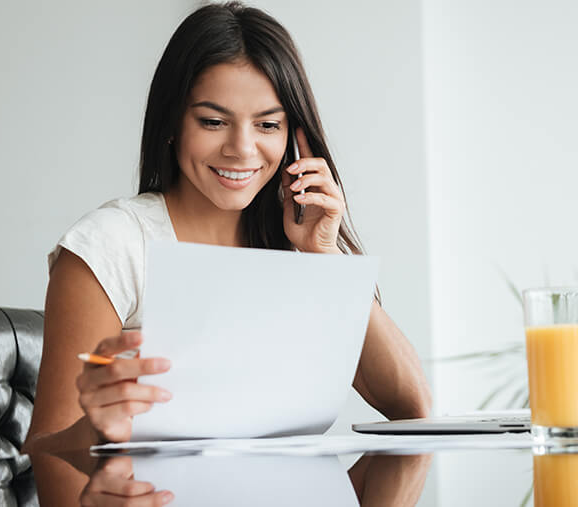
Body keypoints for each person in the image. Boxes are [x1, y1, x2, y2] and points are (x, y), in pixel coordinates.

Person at [22, 2, 431, 454]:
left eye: (268, 124)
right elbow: (45, 447)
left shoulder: (295, 253)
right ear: (173, 123)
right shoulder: (112, 245)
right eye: (213, 121)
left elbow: (413, 408)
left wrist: (324, 254)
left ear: (294, 137)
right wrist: (100, 430)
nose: (241, 148)